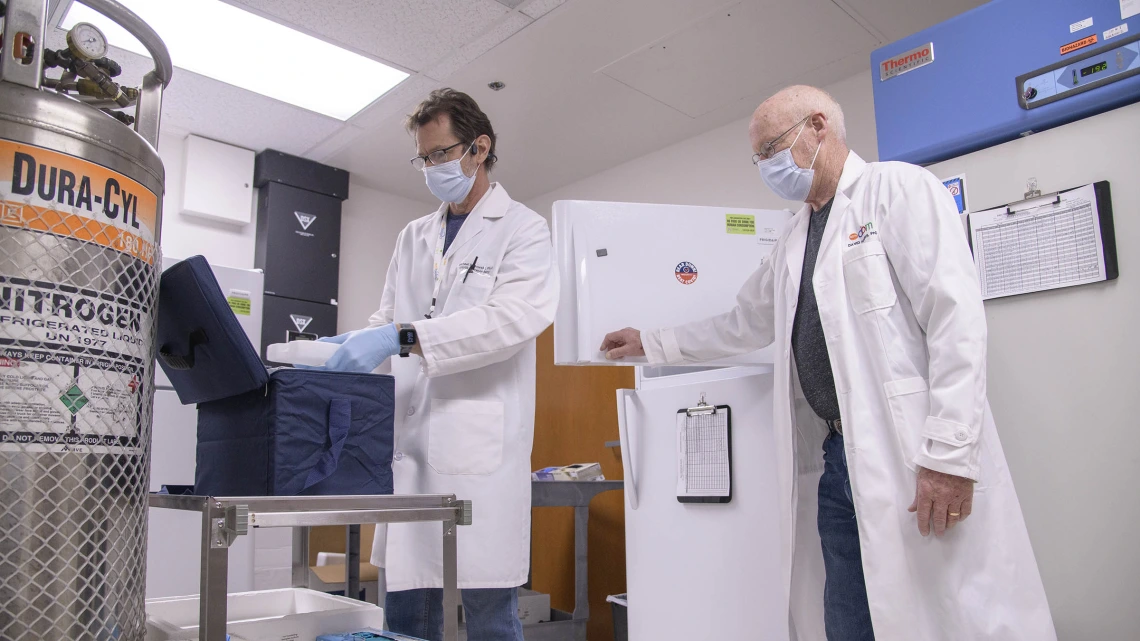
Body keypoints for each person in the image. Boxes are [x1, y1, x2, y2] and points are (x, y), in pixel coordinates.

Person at [600, 85, 1056, 640]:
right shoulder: (794, 235)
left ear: (819, 126)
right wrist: (652, 342)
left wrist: (950, 455)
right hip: (838, 458)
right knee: (848, 617)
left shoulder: (898, 190)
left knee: (948, 613)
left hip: (911, 452)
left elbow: (956, 322)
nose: (765, 166)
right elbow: (745, 321)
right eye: (758, 157)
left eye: (771, 148)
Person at [319, 88, 558, 641]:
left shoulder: (523, 229)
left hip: (478, 458)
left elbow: (513, 319)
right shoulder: (414, 235)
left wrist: (402, 335)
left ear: (479, 148)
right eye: (424, 158)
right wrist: (332, 351)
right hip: (409, 454)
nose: (431, 168)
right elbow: (387, 317)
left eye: (441, 154)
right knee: (406, 615)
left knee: (489, 615)